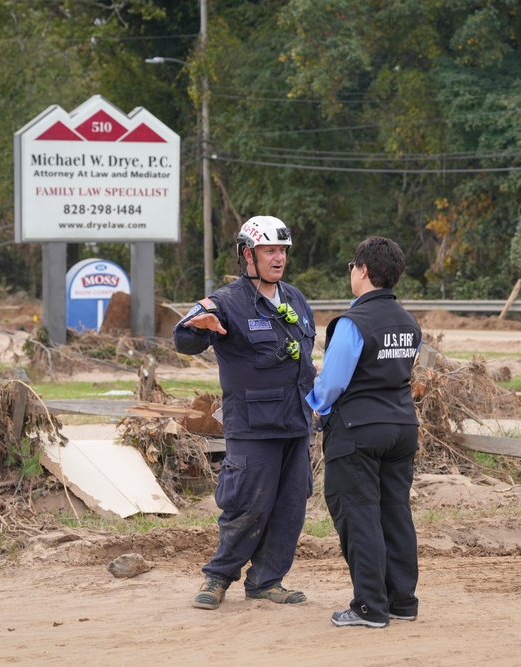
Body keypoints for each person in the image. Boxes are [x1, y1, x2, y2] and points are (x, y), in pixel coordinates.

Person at [173, 215, 317, 610]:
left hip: (296, 423)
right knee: (246, 506)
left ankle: (267, 581)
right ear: (246, 254)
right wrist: (198, 328)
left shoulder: (295, 299)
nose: (278, 258)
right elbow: (184, 336)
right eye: (269, 250)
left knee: (290, 508)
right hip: (253, 427)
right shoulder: (225, 301)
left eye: (283, 251)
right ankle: (216, 578)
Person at [306, 236, 422, 629]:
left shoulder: (353, 323)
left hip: (358, 430)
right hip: (403, 428)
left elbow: (333, 384)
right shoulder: (409, 322)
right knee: (395, 512)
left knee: (359, 515)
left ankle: (369, 606)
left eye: (353, 267)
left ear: (364, 271)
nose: (351, 273)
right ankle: (402, 601)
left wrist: (313, 403)